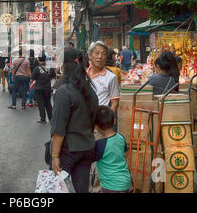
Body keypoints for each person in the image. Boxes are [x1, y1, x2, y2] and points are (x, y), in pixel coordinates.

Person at [50, 48, 99, 193]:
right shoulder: (90, 90)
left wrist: (55, 156)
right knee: (81, 189)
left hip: (68, 151)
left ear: (64, 66)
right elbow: (93, 120)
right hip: (87, 148)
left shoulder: (63, 92)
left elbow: (59, 128)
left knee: (57, 189)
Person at [93, 106, 131, 193]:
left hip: (110, 185)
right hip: (125, 182)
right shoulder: (121, 138)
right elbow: (125, 155)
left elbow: (90, 159)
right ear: (114, 121)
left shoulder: (99, 144)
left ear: (96, 126)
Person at [87, 41, 120, 116]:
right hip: (84, 121)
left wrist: (107, 121)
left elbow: (115, 103)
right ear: (89, 56)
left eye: (103, 54)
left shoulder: (111, 77)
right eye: (97, 53)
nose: (100, 57)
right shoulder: (83, 75)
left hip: (100, 121)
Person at [31, 54, 56, 124]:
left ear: (38, 59)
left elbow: (32, 78)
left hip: (38, 88)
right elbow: (54, 76)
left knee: (41, 103)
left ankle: (43, 119)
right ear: (45, 59)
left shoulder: (36, 69)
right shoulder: (49, 68)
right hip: (47, 88)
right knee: (48, 103)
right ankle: (51, 118)